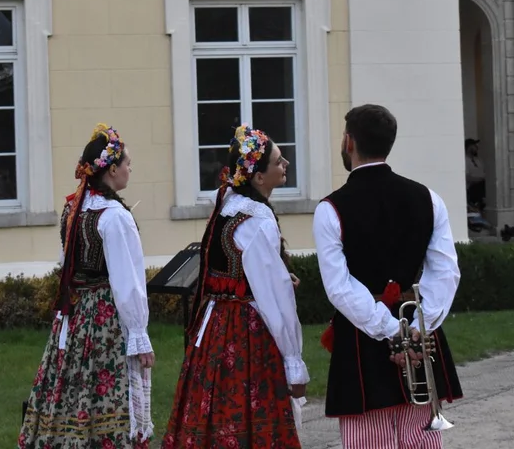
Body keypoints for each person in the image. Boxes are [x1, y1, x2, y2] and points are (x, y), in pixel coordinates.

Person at [313, 104, 463, 449]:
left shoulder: (330, 208)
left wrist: (390, 329)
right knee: (420, 437)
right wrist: (415, 327)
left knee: (367, 439)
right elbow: (445, 272)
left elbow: (339, 287)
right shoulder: (430, 198)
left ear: (349, 142)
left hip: (363, 331)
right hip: (417, 329)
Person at [161, 125, 309, 449]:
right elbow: (275, 298)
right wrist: (294, 364)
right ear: (258, 176)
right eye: (278, 162)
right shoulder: (256, 220)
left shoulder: (227, 208)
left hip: (214, 327)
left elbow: (235, 273)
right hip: (246, 333)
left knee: (212, 408)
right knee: (251, 411)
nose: (285, 166)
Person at [18, 124, 154, 449]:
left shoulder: (73, 209)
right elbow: (127, 280)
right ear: (110, 170)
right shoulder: (114, 216)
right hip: (105, 317)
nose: (130, 168)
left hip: (75, 314)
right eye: (127, 163)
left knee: (73, 382)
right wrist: (139, 335)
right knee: (106, 383)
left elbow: (67, 263)